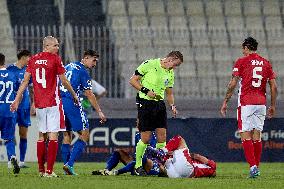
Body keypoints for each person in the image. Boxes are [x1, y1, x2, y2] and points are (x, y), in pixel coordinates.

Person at [10, 36, 79, 177]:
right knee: (53, 135)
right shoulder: (55, 59)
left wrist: (16, 100)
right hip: (53, 102)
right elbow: (64, 81)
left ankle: (41, 170)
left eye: (58, 45)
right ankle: (49, 171)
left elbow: (24, 82)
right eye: (55, 45)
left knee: (42, 136)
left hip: (40, 104)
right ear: (46, 46)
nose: (57, 48)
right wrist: (74, 95)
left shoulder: (33, 60)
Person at [220, 37, 277, 178]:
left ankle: (252, 168)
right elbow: (274, 86)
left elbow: (233, 84)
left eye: (243, 48)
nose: (242, 50)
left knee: (245, 134)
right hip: (261, 103)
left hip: (246, 103)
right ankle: (256, 169)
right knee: (257, 135)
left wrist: (225, 100)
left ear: (246, 47)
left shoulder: (241, 61)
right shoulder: (266, 63)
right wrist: (273, 105)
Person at [129, 51, 183, 176]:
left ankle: (160, 166)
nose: (175, 67)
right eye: (176, 64)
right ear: (171, 59)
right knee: (146, 138)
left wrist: (172, 105)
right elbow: (133, 80)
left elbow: (169, 92)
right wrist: (146, 90)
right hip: (145, 102)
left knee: (162, 137)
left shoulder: (170, 73)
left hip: (159, 104)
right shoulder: (149, 64)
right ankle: (138, 166)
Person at [60, 49, 107, 175]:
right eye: (94, 60)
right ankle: (69, 164)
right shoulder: (83, 71)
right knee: (85, 134)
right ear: (86, 58)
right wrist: (99, 111)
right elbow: (89, 94)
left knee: (66, 135)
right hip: (72, 102)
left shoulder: (68, 66)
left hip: (60, 102)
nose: (95, 63)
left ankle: (66, 168)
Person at [7, 49, 35, 168]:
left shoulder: (29, 71)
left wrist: (33, 104)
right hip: (12, 106)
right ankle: (10, 160)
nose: (31, 60)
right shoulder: (9, 70)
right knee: (10, 133)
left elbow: (34, 89)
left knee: (23, 134)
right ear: (24, 57)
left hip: (24, 106)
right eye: (30, 57)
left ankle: (22, 161)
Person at [145, 135, 217, 178]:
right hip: (178, 175)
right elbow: (213, 174)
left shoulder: (213, 165)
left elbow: (197, 156)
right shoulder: (208, 172)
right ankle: (157, 166)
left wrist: (190, 154)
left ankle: (162, 152)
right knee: (166, 161)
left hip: (188, 168)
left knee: (179, 139)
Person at [91, 132, 159, 176]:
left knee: (141, 159)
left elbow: (152, 151)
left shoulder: (152, 136)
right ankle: (106, 170)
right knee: (118, 152)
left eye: (139, 122)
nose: (137, 123)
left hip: (149, 164)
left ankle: (116, 172)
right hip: (136, 161)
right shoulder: (137, 135)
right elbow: (137, 151)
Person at [0, 53, 21, 174]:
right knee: (9, 139)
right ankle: (12, 156)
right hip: (9, 110)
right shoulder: (13, 75)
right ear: (4, 61)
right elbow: (20, 92)